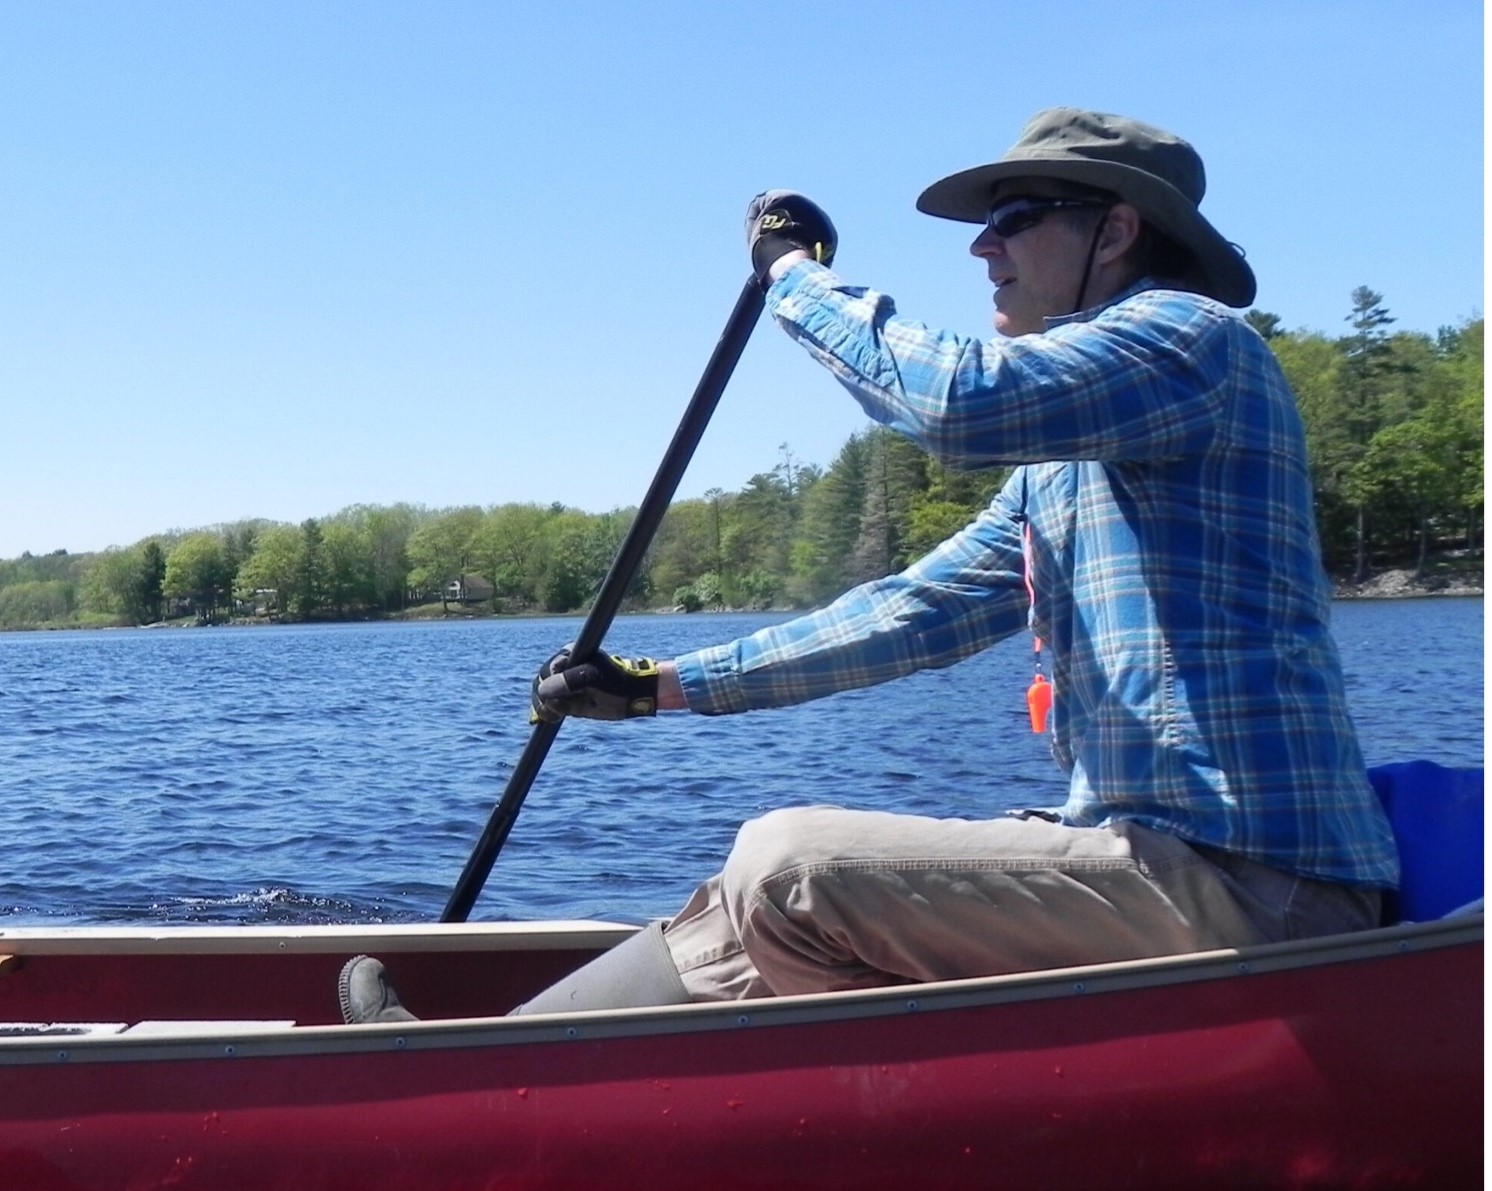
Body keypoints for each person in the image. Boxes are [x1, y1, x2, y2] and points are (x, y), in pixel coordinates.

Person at [340, 107, 1399, 1024]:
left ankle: (895, 1100)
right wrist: (657, 689)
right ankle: (431, 1068)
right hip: (1148, 861)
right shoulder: (1065, 464)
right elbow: (914, 612)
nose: (984, 248)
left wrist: (792, 276)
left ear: (1116, 231)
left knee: (789, 867)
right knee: (732, 915)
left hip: (1258, 887)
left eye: (1014, 219)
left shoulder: (1189, 341)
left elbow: (954, 401)